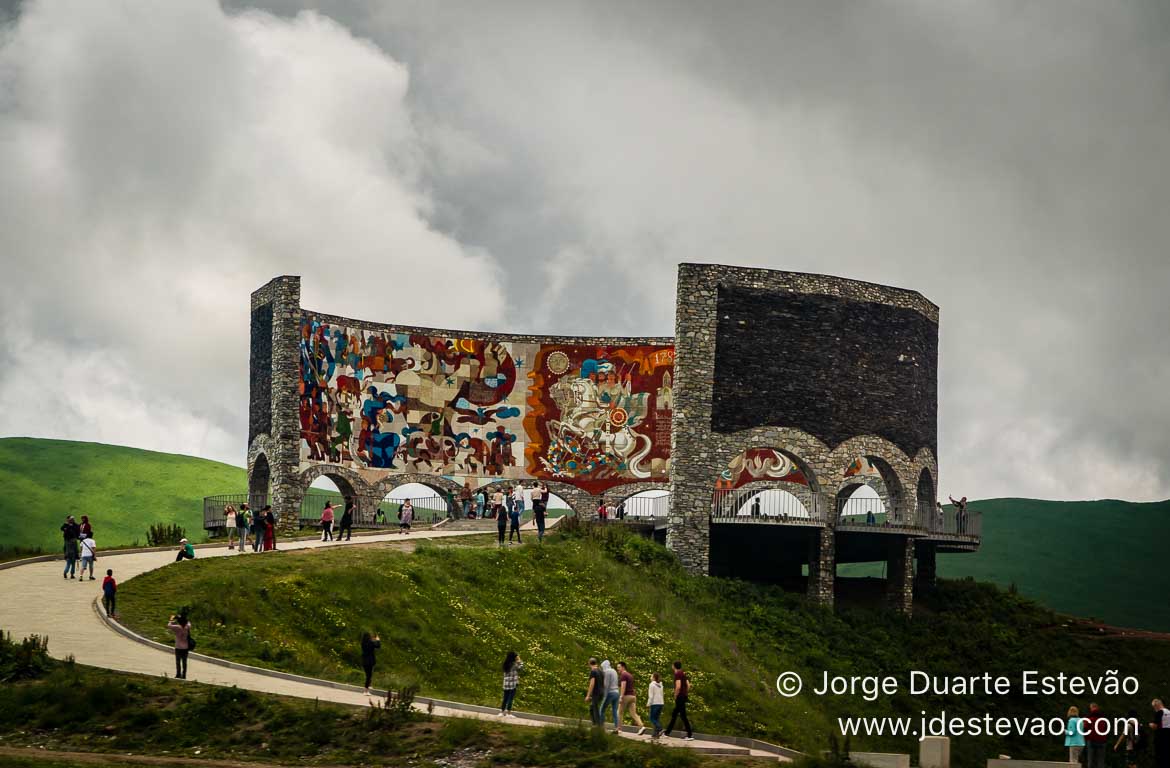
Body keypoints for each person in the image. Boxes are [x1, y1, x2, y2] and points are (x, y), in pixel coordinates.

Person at [663, 660, 694, 740]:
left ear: (674, 666)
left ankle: (689, 735)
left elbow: (678, 686)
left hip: (680, 697)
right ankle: (667, 733)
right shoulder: (683, 673)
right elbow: (688, 685)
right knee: (675, 714)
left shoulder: (677, 674)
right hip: (683, 696)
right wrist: (685, 693)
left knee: (683, 716)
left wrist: (675, 695)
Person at [617, 661, 645, 734]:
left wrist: (621, 696)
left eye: (619, 667)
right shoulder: (630, 675)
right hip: (633, 696)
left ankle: (619, 729)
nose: (618, 669)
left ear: (623, 667)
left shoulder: (623, 675)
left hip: (626, 696)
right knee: (633, 713)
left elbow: (623, 685)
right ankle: (641, 726)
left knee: (619, 712)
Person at [167, 612, 192, 679]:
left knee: (178, 662)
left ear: (179, 622)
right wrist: (182, 617)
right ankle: (184, 675)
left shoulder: (177, 627)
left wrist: (171, 619)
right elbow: (189, 622)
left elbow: (169, 625)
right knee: (184, 662)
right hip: (186, 647)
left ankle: (178, 674)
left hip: (178, 647)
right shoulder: (187, 627)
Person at [500, 650, 524, 717]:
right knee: (510, 699)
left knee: (505, 698)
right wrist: (520, 661)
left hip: (506, 684)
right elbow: (521, 668)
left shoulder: (505, 664)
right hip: (513, 684)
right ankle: (508, 713)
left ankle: (502, 712)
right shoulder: (514, 664)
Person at [600, 660, 621, 733]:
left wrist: (604, 696)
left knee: (602, 710)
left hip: (610, 693)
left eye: (602, 667)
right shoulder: (614, 671)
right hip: (617, 693)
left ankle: (602, 727)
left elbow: (606, 685)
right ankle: (617, 728)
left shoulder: (607, 672)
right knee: (615, 711)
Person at [1085, 702, 1108, 768]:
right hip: (1102, 741)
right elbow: (1106, 729)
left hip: (1091, 740)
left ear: (1091, 708)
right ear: (1097, 708)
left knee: (1090, 760)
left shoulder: (1089, 718)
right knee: (1101, 761)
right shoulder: (1103, 719)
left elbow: (1085, 728)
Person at [584, 657, 604, 727]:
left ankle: (598, 725)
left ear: (589, 663)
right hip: (602, 692)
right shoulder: (601, 671)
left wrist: (588, 695)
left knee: (595, 708)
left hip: (596, 692)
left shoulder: (593, 671)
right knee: (592, 708)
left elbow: (592, 684)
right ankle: (595, 723)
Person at [360, 631, 381, 695]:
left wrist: (373, 640)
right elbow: (378, 646)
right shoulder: (371, 643)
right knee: (369, 676)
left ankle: (369, 685)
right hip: (370, 661)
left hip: (364, 661)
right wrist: (378, 640)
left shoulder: (363, 643)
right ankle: (366, 691)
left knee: (368, 674)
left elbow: (371, 644)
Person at [1152, 698, 1170, 768]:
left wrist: (1150, 725)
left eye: (1154, 707)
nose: (1154, 709)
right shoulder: (1168, 712)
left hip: (1161, 736)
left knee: (1160, 756)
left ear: (1157, 705)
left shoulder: (1159, 712)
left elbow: (1155, 726)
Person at [61, 515, 80, 579]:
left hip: (68, 553)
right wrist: (77, 555)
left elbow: (64, 548)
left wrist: (65, 554)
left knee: (68, 564)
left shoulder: (66, 542)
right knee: (73, 564)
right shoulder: (74, 541)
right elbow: (76, 549)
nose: (72, 520)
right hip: (73, 554)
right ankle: (71, 574)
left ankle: (65, 572)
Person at [648, 672, 665, 739]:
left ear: (654, 678)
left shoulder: (651, 684)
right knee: (657, 719)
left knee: (652, 718)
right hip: (661, 703)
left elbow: (651, 696)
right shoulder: (660, 685)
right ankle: (655, 735)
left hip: (654, 703)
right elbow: (662, 695)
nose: (650, 677)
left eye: (651, 676)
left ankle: (660, 729)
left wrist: (649, 703)